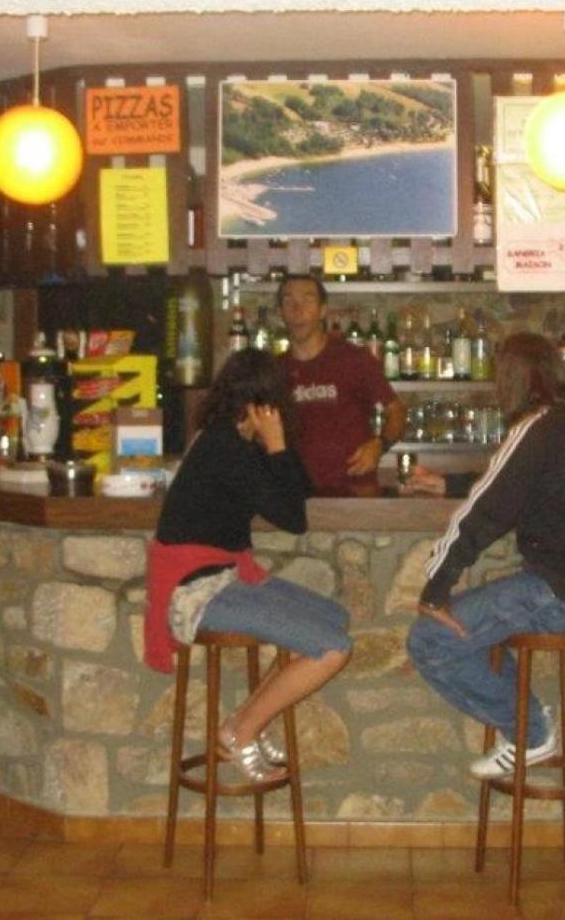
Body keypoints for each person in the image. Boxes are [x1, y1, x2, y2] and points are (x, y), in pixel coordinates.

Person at [404, 332, 565, 779]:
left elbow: (483, 513)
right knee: (465, 632)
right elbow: (514, 486)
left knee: (428, 640)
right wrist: (448, 484)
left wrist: (435, 588)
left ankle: (531, 731)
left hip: (558, 595)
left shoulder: (537, 430)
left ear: (510, 381)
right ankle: (527, 715)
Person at [144, 348, 351, 784]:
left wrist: (278, 446)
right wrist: (276, 444)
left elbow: (300, 488)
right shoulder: (225, 446)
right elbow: (293, 520)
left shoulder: (234, 439)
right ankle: (242, 732)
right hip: (195, 591)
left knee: (334, 619)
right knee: (333, 648)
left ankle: (240, 724)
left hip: (221, 575)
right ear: (264, 404)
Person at [276, 274, 406, 492]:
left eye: (307, 300)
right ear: (280, 312)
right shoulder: (274, 370)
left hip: (354, 493)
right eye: (289, 301)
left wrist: (379, 445)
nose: (298, 309)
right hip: (296, 495)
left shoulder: (354, 359)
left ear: (323, 310)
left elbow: (397, 412)